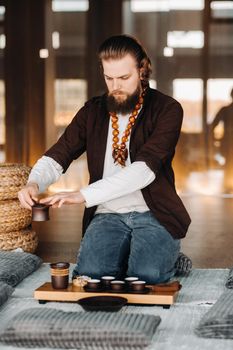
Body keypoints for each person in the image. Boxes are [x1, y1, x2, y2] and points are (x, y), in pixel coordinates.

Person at [18, 35, 191, 284]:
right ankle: (143, 254)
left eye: (124, 78)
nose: (115, 86)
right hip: (107, 213)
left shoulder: (168, 109)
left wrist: (82, 195)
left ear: (141, 70)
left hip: (154, 213)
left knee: (145, 277)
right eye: (109, 78)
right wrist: (34, 182)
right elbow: (60, 153)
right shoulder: (92, 111)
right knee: (92, 277)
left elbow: (144, 171)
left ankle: (168, 255)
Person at [211, 88, 233, 192]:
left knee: (228, 163)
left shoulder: (225, 110)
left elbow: (213, 125)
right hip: (227, 142)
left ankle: (228, 186)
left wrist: (213, 138)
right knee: (229, 163)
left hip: (227, 142)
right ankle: (228, 185)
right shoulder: (225, 110)